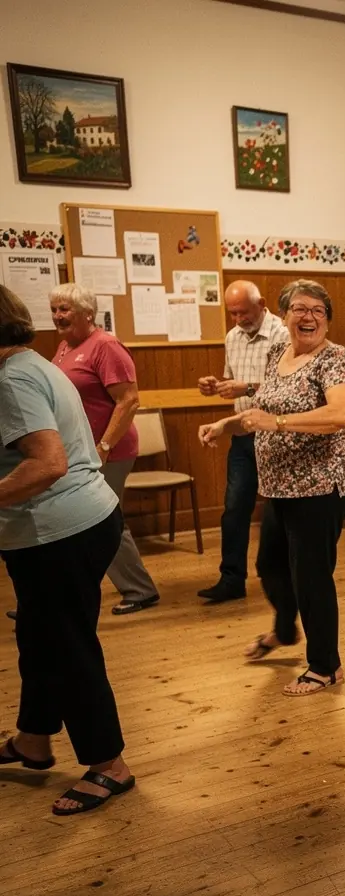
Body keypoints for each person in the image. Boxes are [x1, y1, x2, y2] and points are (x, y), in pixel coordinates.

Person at [0, 285, 134, 815]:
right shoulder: (31, 363)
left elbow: (48, 463)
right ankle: (33, 739)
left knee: (67, 646)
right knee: (39, 636)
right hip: (64, 526)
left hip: (61, 532)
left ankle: (109, 765)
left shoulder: (12, 379)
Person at [198, 279, 345, 696]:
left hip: (321, 486)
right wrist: (227, 423)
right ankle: (285, 630)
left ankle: (325, 666)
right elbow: (263, 407)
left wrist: (277, 423)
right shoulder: (277, 353)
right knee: (270, 566)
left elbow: (342, 414)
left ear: (327, 320)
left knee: (311, 577)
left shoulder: (334, 358)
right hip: (281, 487)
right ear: (285, 315)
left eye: (318, 311)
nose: (309, 317)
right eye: (300, 309)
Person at [49, 282, 159, 615]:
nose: (57, 316)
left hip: (108, 452)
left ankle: (140, 589)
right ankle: (58, 594)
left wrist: (104, 446)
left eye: (65, 309)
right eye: (54, 309)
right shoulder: (65, 346)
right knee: (78, 520)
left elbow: (129, 400)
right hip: (79, 451)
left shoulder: (105, 346)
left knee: (106, 520)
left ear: (88, 313)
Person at [197, 280, 288, 603]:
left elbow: (286, 386)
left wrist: (246, 387)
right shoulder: (232, 337)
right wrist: (215, 387)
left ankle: (284, 578)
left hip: (277, 434)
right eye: (232, 313)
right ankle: (231, 580)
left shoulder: (282, 334)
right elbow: (232, 383)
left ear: (261, 304)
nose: (238, 319)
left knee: (281, 511)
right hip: (243, 433)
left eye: (244, 312)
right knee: (234, 508)